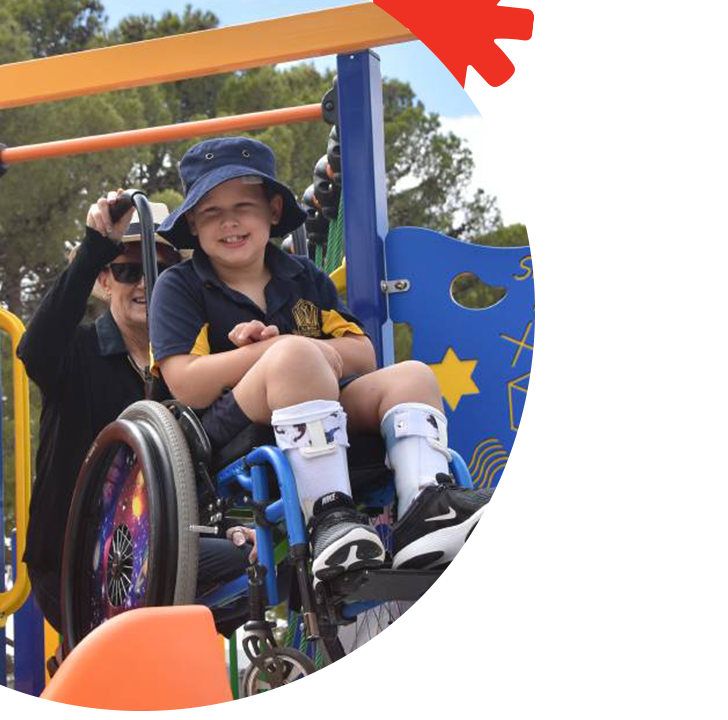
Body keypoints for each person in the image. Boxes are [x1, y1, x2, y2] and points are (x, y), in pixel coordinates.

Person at [149, 137, 535, 586]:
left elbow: (362, 353)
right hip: (230, 428)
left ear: (273, 210)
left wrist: (299, 350)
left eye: (243, 207)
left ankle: (427, 506)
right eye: (211, 211)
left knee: (412, 376)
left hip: (320, 404)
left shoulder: (302, 276)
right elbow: (186, 384)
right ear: (192, 223)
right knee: (295, 355)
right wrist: (271, 352)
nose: (229, 221)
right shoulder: (180, 286)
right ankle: (329, 514)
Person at [17, 194, 257, 638]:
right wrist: (94, 247)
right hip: (77, 561)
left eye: (161, 273)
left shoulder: (189, 368)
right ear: (105, 280)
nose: (146, 283)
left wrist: (233, 526)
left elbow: (208, 453)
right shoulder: (78, 353)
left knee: (262, 560)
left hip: (159, 542)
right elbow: (35, 350)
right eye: (129, 271)